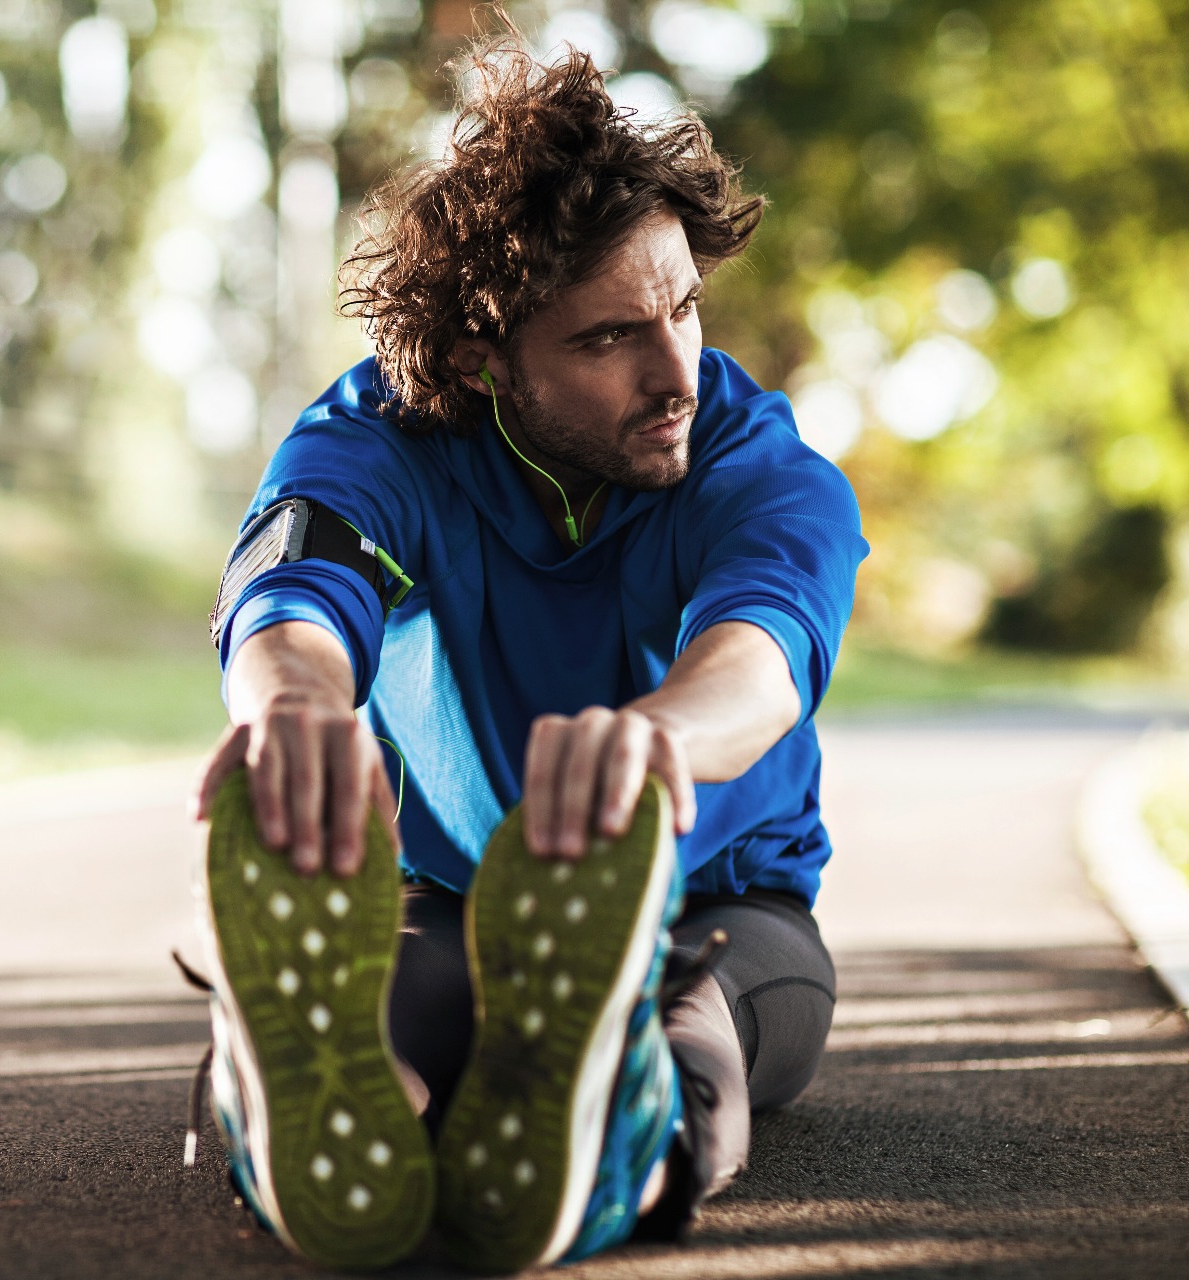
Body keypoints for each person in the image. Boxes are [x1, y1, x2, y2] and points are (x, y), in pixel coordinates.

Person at [184, 36, 868, 1274]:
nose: (676, 373)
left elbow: (763, 648)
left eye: (684, 307)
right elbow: (296, 582)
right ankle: (299, 1094)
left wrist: (658, 736)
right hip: (449, 901)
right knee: (386, 1008)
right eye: (609, 339)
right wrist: (292, 706)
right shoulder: (381, 439)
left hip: (719, 899)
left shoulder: (755, 460)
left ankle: (626, 1120)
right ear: (479, 357)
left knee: (688, 1024)